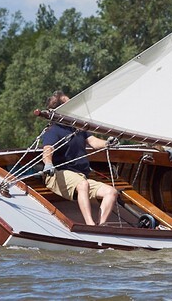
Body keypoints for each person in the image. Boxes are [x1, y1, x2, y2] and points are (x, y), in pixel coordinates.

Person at [41, 91, 119, 226]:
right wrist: (48, 164)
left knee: (111, 192)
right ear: (61, 109)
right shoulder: (53, 131)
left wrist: (107, 143)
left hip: (81, 176)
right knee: (83, 185)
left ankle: (101, 227)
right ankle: (90, 225)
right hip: (58, 175)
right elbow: (48, 150)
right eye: (70, 104)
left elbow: (94, 142)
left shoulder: (78, 128)